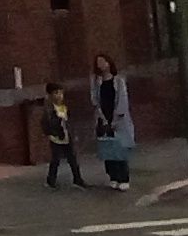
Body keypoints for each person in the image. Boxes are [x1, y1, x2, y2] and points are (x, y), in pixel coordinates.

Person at [91, 57, 136, 191]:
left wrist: (116, 119)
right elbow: (95, 100)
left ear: (109, 63)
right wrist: (102, 118)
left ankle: (124, 178)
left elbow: (122, 100)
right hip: (103, 117)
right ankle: (113, 176)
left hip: (118, 119)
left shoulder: (118, 81)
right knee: (108, 148)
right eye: (98, 63)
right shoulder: (96, 82)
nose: (101, 65)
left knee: (120, 148)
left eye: (103, 61)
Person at [42, 78, 87, 189]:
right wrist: (53, 133)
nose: (59, 96)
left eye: (61, 93)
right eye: (56, 93)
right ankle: (51, 180)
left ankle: (77, 179)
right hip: (56, 138)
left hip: (67, 136)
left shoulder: (64, 107)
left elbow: (69, 121)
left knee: (72, 159)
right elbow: (46, 124)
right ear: (50, 95)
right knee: (55, 160)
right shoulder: (49, 110)